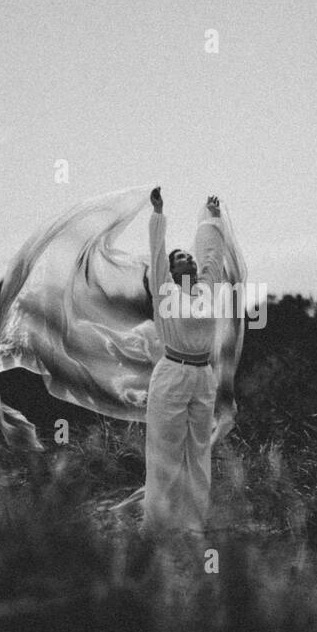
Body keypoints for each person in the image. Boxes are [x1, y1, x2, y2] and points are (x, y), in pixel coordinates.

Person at [143, 185, 224, 536]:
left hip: (204, 376)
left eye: (188, 256)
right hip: (172, 374)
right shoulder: (165, 291)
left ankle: (193, 524)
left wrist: (213, 219)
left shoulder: (208, 289)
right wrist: (159, 213)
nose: (187, 259)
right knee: (166, 450)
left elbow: (212, 257)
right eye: (179, 258)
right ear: (170, 272)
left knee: (199, 451)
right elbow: (157, 253)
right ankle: (158, 525)